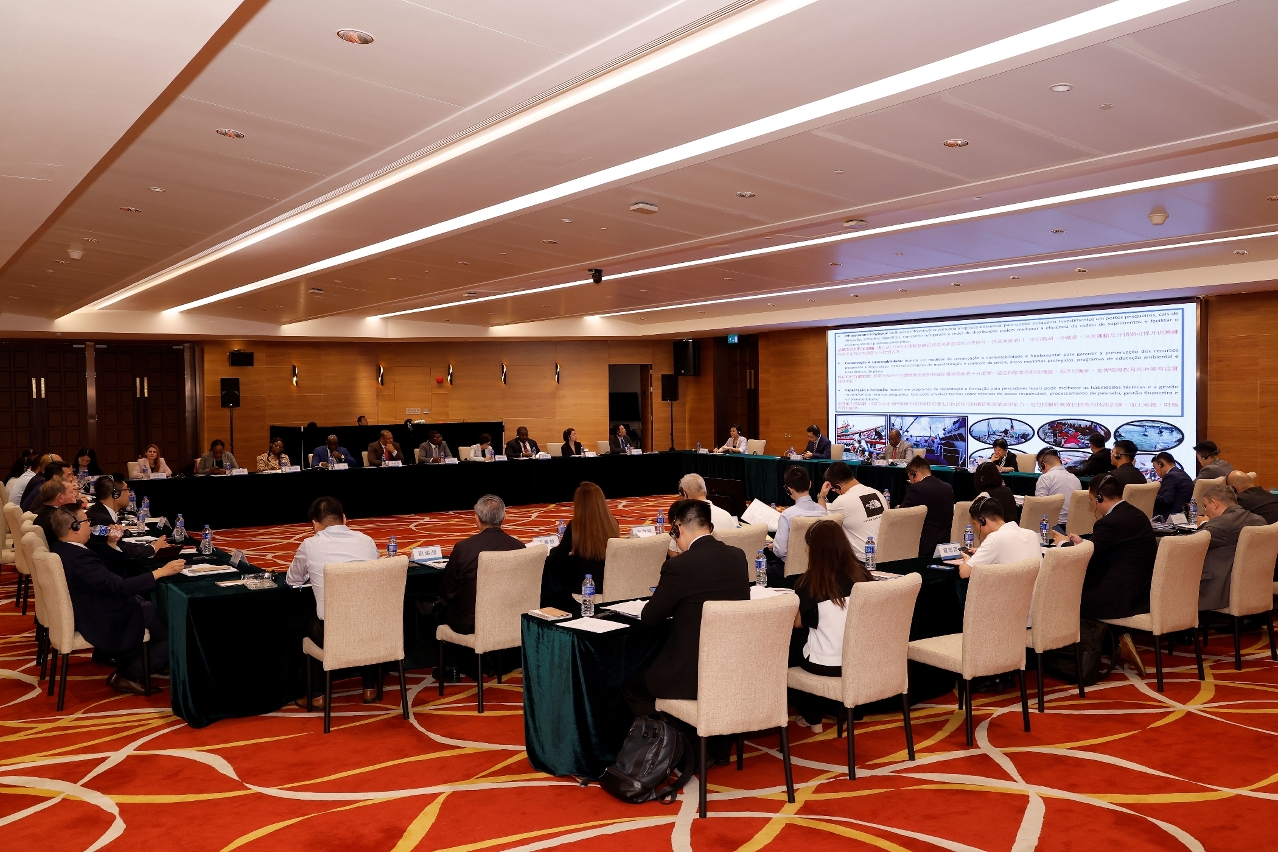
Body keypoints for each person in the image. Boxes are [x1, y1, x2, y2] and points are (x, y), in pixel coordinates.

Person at [622, 499, 750, 717]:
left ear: (677, 529)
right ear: (709, 527)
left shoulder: (678, 566)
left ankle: (675, 735)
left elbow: (650, 616)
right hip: (731, 667)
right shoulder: (738, 556)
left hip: (690, 674)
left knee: (631, 686)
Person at [50, 505, 183, 696]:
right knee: (174, 631)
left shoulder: (62, 548)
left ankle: (150, 659)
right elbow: (120, 586)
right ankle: (130, 673)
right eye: (87, 521)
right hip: (100, 617)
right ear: (75, 527)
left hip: (89, 607)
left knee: (150, 610)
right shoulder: (79, 558)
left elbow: (101, 572)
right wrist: (161, 572)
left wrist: (111, 544)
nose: (91, 525)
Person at [1055, 474, 1156, 676]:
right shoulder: (1136, 514)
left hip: (1120, 597)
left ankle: (1090, 650)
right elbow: (1105, 547)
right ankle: (1116, 643)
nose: (1093, 504)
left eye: (1092, 500)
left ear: (1099, 498)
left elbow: (1085, 557)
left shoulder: (1109, 522)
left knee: (1064, 599)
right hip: (1142, 593)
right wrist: (1084, 544)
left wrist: (1062, 544)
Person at [285, 496, 381, 706]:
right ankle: (369, 687)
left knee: (309, 624)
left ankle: (317, 695)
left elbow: (292, 581)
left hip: (333, 632)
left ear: (315, 524)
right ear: (344, 518)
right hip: (374, 628)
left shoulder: (309, 545)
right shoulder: (367, 541)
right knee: (362, 616)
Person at [788, 519, 872, 731]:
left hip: (826, 664)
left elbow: (797, 622)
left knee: (793, 644)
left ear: (815, 550)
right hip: (860, 660)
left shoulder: (810, 583)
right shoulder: (862, 575)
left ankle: (812, 715)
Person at [436, 495, 525, 634]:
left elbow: (447, 591)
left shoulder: (464, 548)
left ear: (476, 518)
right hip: (510, 617)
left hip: (470, 623)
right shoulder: (519, 547)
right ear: (504, 516)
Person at [540, 482, 620, 611]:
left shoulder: (576, 526)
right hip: (608, 585)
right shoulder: (613, 523)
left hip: (582, 589)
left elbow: (558, 558)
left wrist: (553, 551)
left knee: (548, 569)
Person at [955, 494, 1041, 609]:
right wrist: (983, 551)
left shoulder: (994, 538)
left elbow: (964, 573)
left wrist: (966, 560)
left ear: (982, 521)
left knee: (960, 584)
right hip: (1036, 605)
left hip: (1010, 607)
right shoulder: (1031, 534)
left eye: (975, 524)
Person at [1196, 483, 1266, 611]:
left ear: (1214, 503)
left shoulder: (1222, 523)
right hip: (1254, 587)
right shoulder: (1259, 520)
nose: (1205, 511)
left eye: (1205, 506)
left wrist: (1204, 523)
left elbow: (1193, 543)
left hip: (1219, 590)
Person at [766, 466, 827, 581]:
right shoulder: (822, 511)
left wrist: (774, 547)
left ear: (789, 489)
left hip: (788, 571)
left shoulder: (787, 515)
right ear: (810, 484)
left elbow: (781, 552)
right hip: (816, 568)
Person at [818, 462, 883, 562]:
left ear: (838, 487)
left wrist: (822, 496)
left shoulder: (842, 501)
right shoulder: (877, 493)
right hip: (884, 555)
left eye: (834, 489)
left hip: (861, 560)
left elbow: (823, 522)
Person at [87, 476, 154, 568]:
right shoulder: (101, 520)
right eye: (127, 490)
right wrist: (152, 548)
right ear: (116, 494)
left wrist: (147, 546)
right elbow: (122, 550)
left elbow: (122, 544)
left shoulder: (101, 511)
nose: (129, 494)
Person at [900, 455, 954, 558]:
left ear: (914, 473)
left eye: (909, 477)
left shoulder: (915, 489)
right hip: (945, 543)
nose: (910, 481)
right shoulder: (947, 487)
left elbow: (901, 515)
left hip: (923, 547)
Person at [1034, 449, 1081, 530]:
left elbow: (1040, 507)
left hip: (1053, 528)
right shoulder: (1075, 479)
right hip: (1073, 528)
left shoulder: (1045, 478)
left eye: (1040, 468)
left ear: (1043, 465)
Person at [1152, 452, 1195, 519]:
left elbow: (1166, 500)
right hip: (1184, 516)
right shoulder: (1183, 474)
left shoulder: (1170, 476)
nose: (1155, 471)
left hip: (1170, 517)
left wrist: (1150, 495)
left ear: (1160, 464)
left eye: (1155, 468)